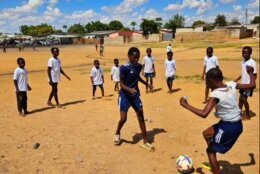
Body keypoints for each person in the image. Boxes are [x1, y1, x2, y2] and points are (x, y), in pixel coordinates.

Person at [180, 67, 256, 174]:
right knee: (206, 134)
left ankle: (215, 166)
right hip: (235, 124)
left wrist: (185, 105)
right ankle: (214, 163)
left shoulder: (216, 95)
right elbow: (252, 85)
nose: (207, 85)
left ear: (212, 81)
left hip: (229, 127)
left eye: (207, 82)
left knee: (210, 151)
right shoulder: (231, 84)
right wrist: (251, 73)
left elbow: (204, 113)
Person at [114, 47, 154, 151]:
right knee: (123, 119)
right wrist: (129, 89)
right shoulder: (123, 68)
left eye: (138, 58)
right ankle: (117, 132)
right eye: (134, 58)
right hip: (125, 96)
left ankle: (145, 141)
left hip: (135, 96)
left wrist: (147, 84)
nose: (136, 60)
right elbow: (121, 84)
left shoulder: (139, 66)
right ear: (129, 56)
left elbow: (137, 77)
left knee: (141, 117)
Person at [235, 46, 257, 120]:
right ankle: (239, 113)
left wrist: (250, 85)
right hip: (242, 84)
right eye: (243, 53)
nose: (244, 54)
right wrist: (236, 79)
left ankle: (247, 115)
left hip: (248, 85)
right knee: (240, 99)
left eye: (246, 53)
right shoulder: (243, 61)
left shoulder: (252, 62)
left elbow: (255, 75)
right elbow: (243, 73)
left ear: (250, 53)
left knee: (243, 99)